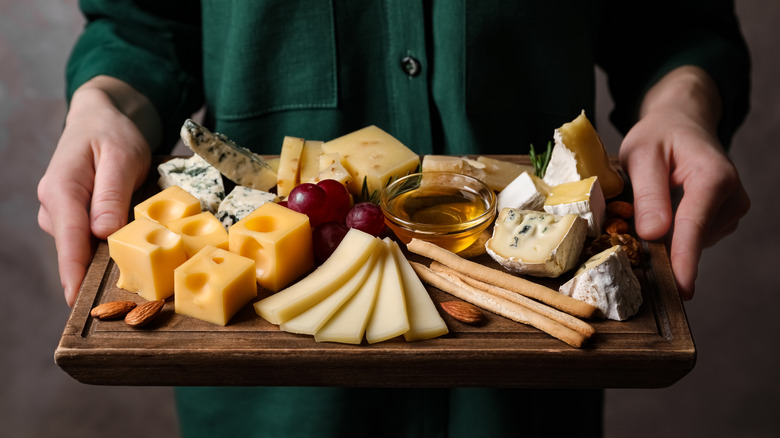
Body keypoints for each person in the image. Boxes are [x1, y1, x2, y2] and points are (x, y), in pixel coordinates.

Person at [38, 1, 751, 437]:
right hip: (267, 403)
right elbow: (141, 26)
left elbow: (673, 22)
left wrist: (683, 102)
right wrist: (107, 102)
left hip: (525, 392)